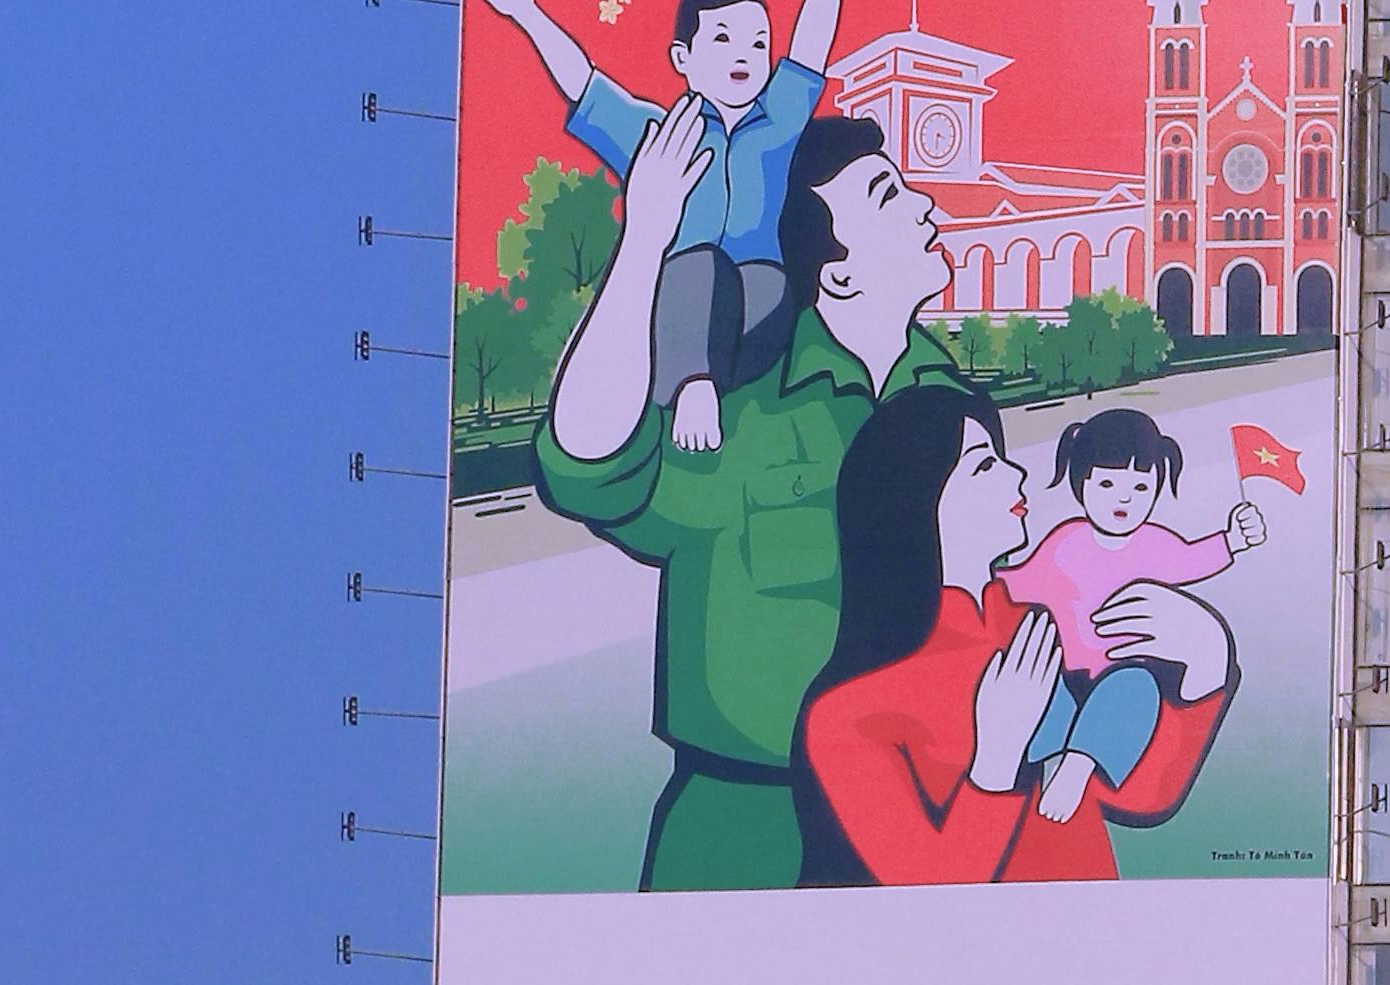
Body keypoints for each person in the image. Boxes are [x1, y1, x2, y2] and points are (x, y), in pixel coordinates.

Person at [534, 99, 970, 887]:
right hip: (750, 828)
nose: (927, 206)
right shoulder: (745, 414)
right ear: (835, 270)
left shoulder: (952, 406)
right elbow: (588, 462)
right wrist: (646, 242)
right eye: (888, 196)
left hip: (921, 820)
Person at [794, 380, 1240, 886]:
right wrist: (995, 763)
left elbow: (1134, 793)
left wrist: (1207, 666)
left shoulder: (1038, 622)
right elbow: (921, 885)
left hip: (1094, 932)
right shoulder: (847, 712)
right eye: (985, 464)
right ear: (916, 497)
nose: (1017, 473)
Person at [471, 0, 891, 449]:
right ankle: (692, 387)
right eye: (723, 40)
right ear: (682, 60)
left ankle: (708, 388)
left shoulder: (778, 122)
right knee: (699, 265)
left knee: (765, 280)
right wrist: (526, 12)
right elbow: (584, 84)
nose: (744, 56)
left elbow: (810, 47)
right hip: (678, 302)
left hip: (760, 304)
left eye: (758, 44)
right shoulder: (660, 133)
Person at [1015, 404, 1270, 829]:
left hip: (1122, 675)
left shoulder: (1156, 545)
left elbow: (1194, 560)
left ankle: (1080, 763)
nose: (1123, 498)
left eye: (1139, 487)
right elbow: (1017, 583)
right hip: (1066, 672)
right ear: (1082, 483)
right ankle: (1050, 761)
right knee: (1044, 692)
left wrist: (1234, 539)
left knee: (1135, 691)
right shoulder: (1063, 542)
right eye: (1109, 483)